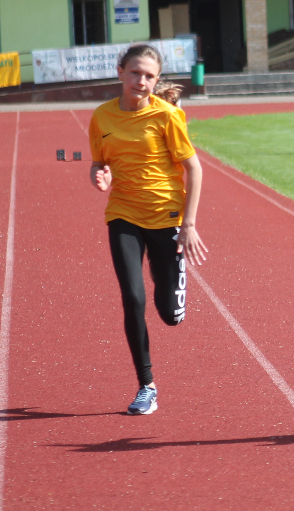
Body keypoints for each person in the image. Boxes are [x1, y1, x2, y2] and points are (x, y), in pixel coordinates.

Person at [88, 44, 208, 415]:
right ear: (121, 72)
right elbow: (98, 163)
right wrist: (99, 177)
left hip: (167, 217)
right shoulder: (102, 117)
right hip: (123, 214)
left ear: (156, 81)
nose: (141, 81)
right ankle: (146, 386)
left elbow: (194, 169)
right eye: (135, 73)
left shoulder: (167, 116)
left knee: (170, 315)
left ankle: (164, 270)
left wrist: (188, 225)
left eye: (149, 76)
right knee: (132, 298)